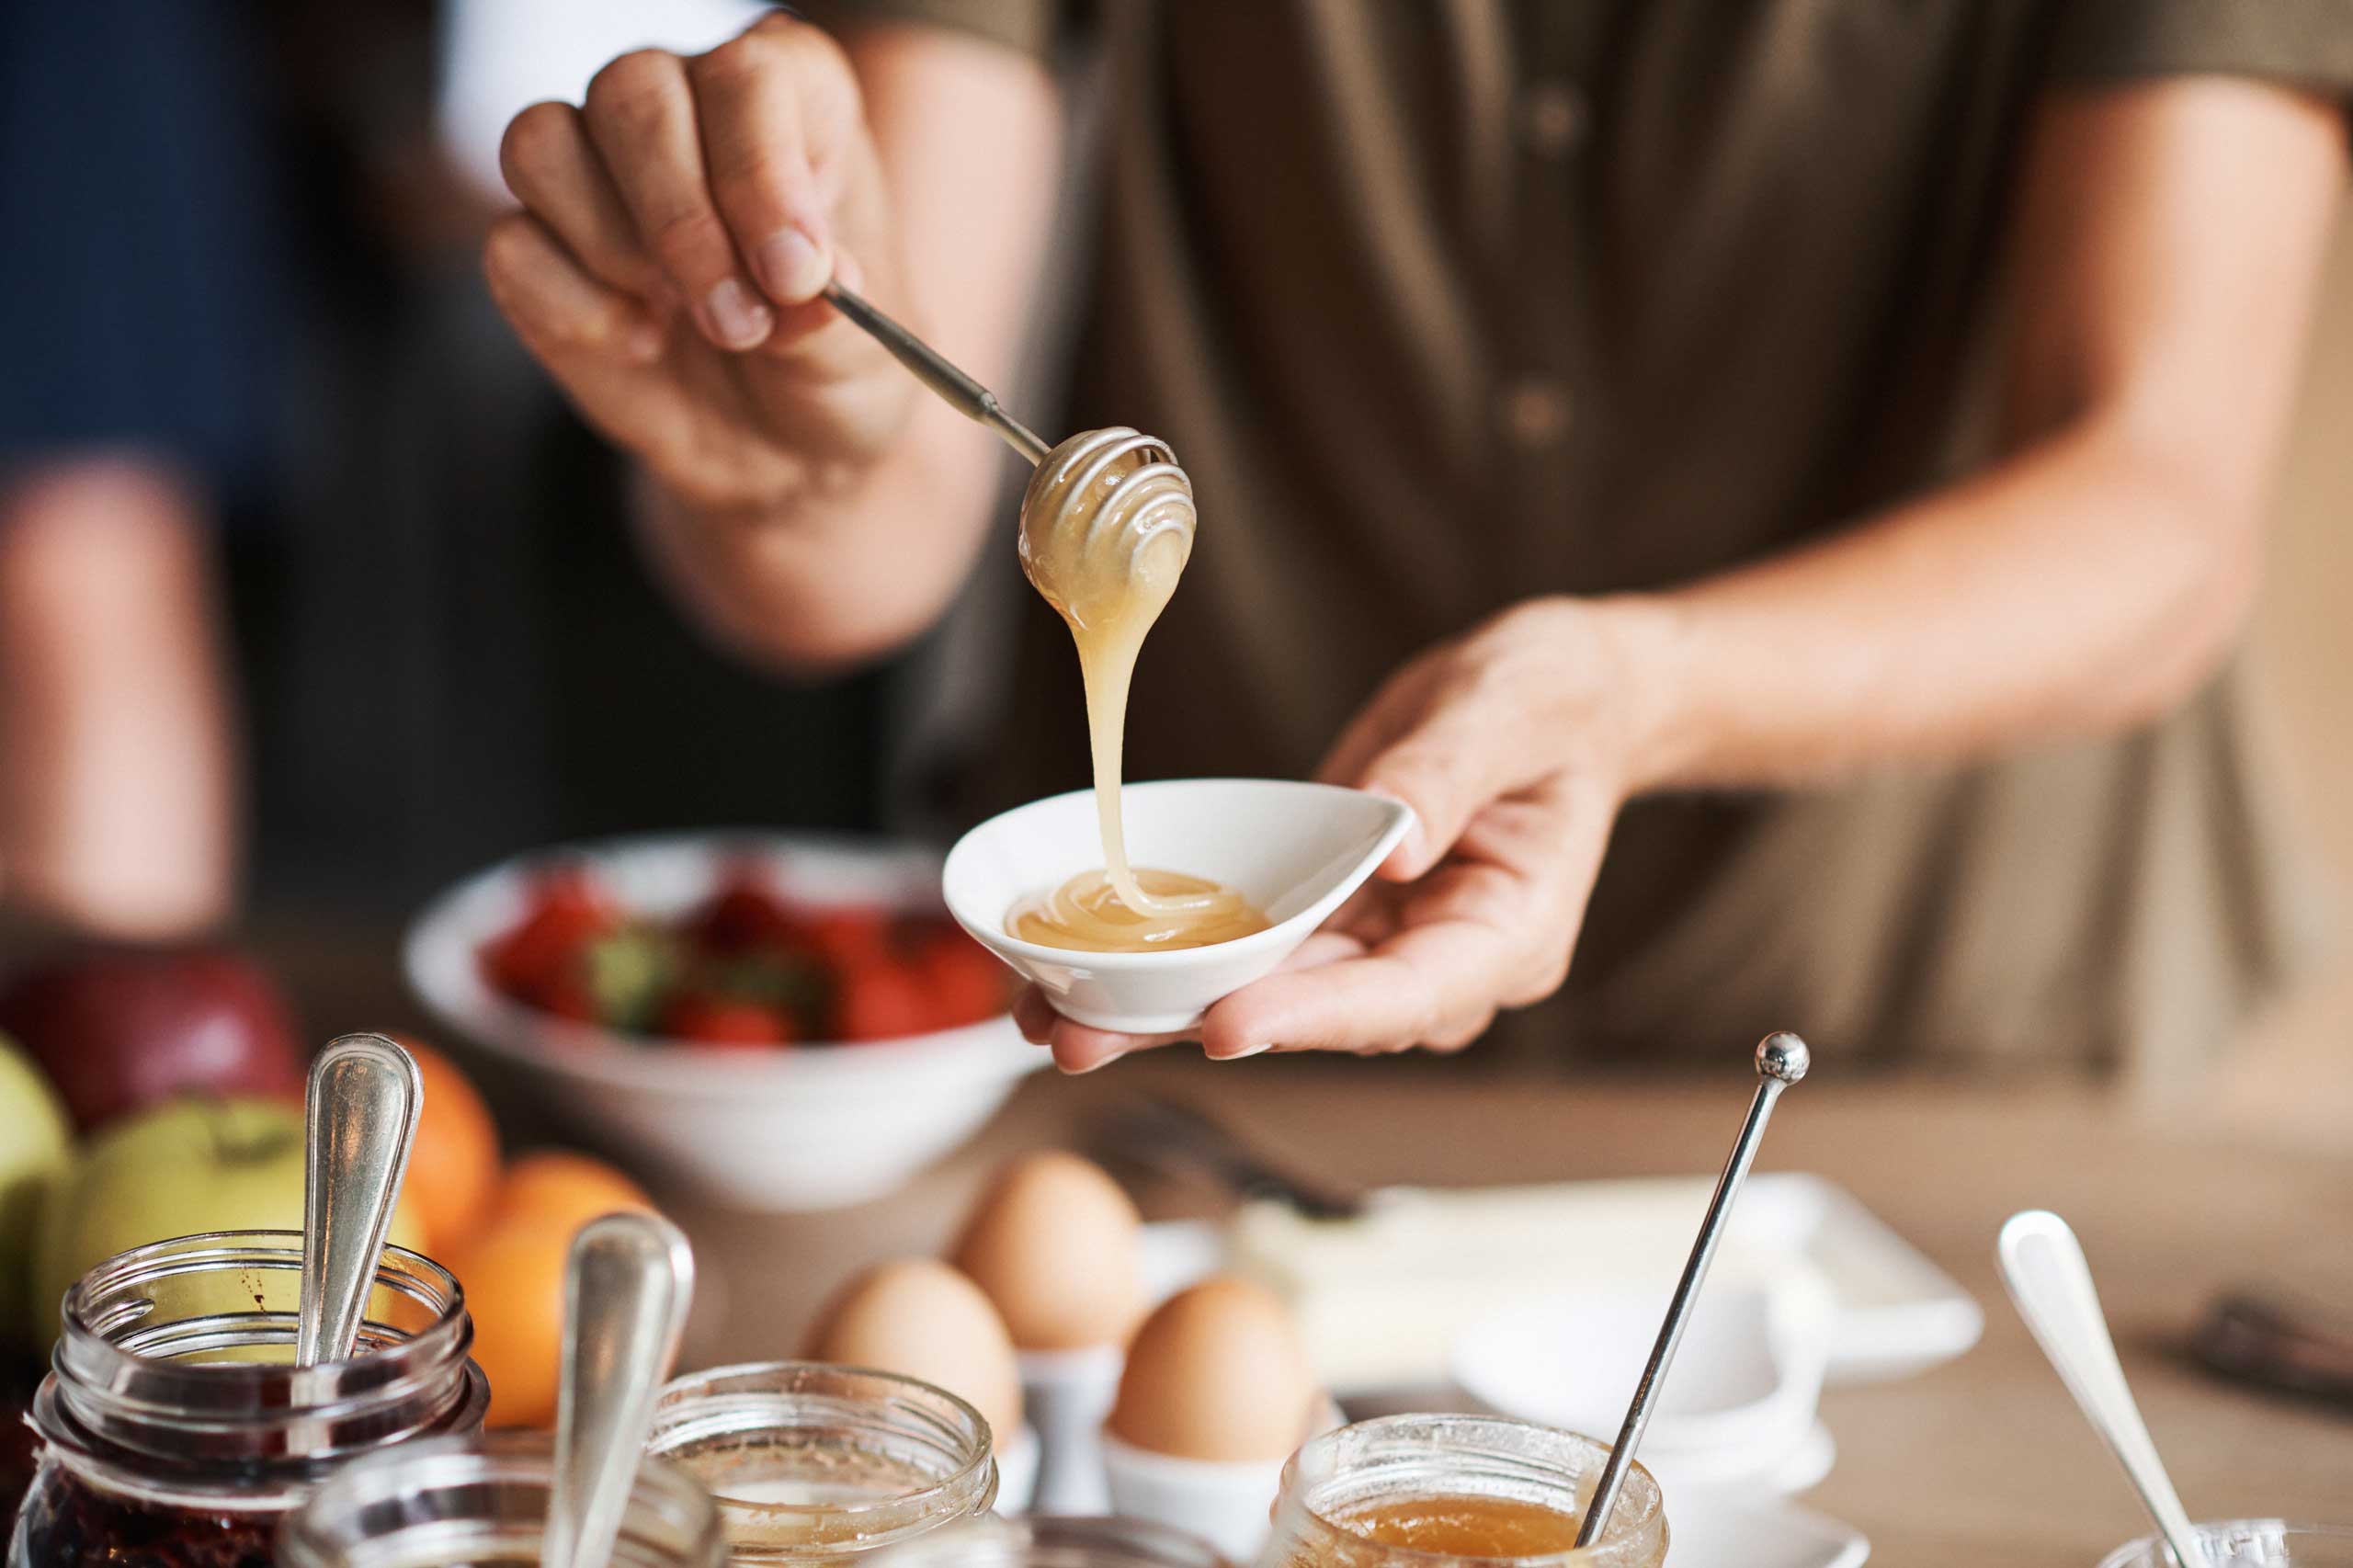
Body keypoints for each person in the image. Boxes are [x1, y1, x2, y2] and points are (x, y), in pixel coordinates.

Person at [482, 2, 2351, 1076]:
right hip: (1218, 1055)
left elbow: (2155, 509)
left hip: (1926, 1038)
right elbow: (861, 546)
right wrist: (796, 448)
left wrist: (1629, 693)